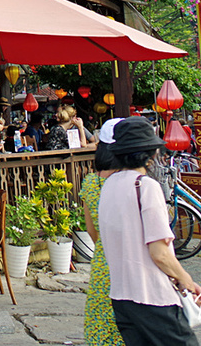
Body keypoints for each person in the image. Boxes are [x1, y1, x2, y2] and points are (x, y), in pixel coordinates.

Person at [99, 116, 201, 346]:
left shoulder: (108, 187)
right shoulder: (145, 186)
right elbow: (160, 253)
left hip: (121, 296)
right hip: (152, 297)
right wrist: (185, 279)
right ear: (151, 153)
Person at [80, 138, 124, 346]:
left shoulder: (90, 182)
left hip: (102, 261)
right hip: (128, 263)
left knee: (101, 323)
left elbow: (91, 230)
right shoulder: (132, 182)